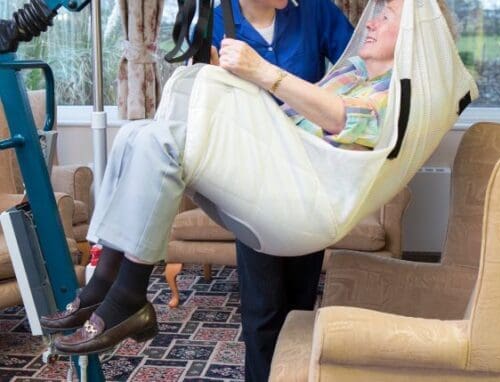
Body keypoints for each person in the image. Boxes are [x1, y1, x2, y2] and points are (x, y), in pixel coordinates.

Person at [41, 0, 403, 359]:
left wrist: (261, 71)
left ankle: (126, 294)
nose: (368, 25)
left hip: (301, 184)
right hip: (253, 168)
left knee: (296, 307)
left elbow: (352, 111)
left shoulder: (338, 35)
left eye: (384, 17)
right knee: (134, 136)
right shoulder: (344, 69)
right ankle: (106, 286)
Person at [177, 1, 353, 380]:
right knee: (263, 308)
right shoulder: (213, 23)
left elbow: (356, 73)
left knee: (301, 304)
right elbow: (200, 105)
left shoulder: (316, 11)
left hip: (308, 180)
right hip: (250, 185)